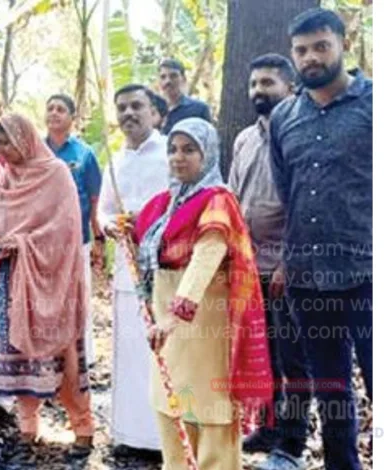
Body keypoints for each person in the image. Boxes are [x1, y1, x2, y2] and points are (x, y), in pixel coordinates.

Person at [118, 118, 273, 468]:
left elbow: (206, 257)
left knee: (211, 409)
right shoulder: (165, 203)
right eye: (173, 149)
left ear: (209, 154)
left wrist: (176, 315)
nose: (178, 157)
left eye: (189, 150)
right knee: (171, 403)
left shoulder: (218, 201)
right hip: (165, 321)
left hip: (205, 321)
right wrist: (125, 229)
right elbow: (148, 243)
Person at [0, 113, 94, 456]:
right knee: (19, 355)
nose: (2, 150)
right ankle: (28, 426)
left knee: (63, 354)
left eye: (7, 142)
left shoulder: (56, 174)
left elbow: (67, 229)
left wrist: (23, 243)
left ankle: (83, 426)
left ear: (25, 139)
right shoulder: (3, 181)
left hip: (55, 281)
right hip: (14, 280)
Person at [269, 8, 372, 470]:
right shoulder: (284, 117)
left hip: (367, 273)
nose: (311, 57)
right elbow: (286, 191)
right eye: (302, 50)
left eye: (321, 46)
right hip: (308, 278)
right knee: (331, 391)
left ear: (343, 45)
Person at [229, 53, 311, 470]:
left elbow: (305, 205)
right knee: (262, 354)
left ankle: (292, 445)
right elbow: (232, 198)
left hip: (285, 268)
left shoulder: (300, 135)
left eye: (268, 83)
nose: (258, 91)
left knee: (292, 359)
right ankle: (267, 428)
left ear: (290, 87)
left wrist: (288, 263)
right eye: (254, 84)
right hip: (248, 267)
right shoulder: (245, 138)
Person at [98, 84, 169, 463]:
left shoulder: (170, 152)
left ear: (153, 112)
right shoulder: (116, 160)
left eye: (136, 106)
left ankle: (163, 437)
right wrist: (110, 225)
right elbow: (103, 210)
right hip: (127, 268)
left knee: (161, 349)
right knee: (129, 348)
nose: (128, 113)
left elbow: (183, 203)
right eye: (122, 107)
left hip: (165, 266)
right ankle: (130, 433)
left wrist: (149, 219)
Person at [44, 93, 102, 367]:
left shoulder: (84, 154)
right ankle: (50, 354)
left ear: (71, 117)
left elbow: (94, 197)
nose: (54, 113)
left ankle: (82, 356)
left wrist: (98, 237)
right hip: (43, 241)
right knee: (48, 298)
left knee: (78, 297)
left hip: (77, 238)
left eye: (60, 109)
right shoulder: (36, 152)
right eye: (50, 109)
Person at [157, 59, 212, 134]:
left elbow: (208, 138)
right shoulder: (153, 111)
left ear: (183, 79)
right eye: (163, 77)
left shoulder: (199, 109)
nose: (168, 81)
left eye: (173, 76)